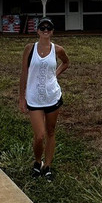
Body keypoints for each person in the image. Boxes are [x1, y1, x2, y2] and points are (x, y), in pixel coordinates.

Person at [19, 17, 69, 180]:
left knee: (51, 132)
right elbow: (24, 74)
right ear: (38, 31)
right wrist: (21, 97)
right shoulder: (29, 49)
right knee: (39, 135)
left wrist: (55, 75)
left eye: (49, 28)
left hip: (52, 97)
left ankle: (47, 166)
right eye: (42, 28)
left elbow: (66, 63)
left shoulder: (58, 49)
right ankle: (37, 161)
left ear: (52, 31)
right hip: (34, 98)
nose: (45, 30)